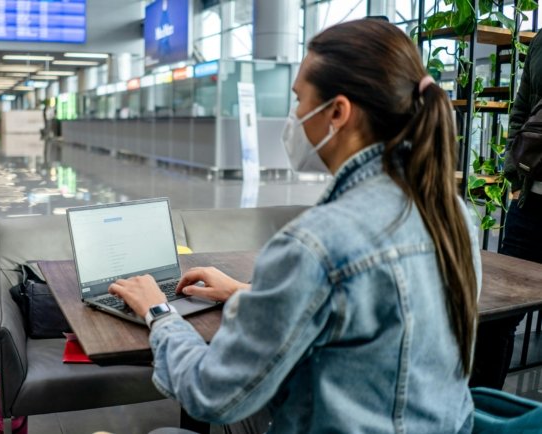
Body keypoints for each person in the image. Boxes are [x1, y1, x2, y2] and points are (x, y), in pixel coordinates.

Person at [108, 19, 481, 433]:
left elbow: (209, 392)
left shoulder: (316, 244)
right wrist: (247, 294)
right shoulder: (454, 216)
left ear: (337, 112)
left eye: (299, 100)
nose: (295, 116)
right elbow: (371, 320)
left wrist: (157, 312)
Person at [471, 32, 542, 389]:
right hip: (532, 203)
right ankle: (484, 416)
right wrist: (515, 178)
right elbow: (522, 108)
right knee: (499, 316)